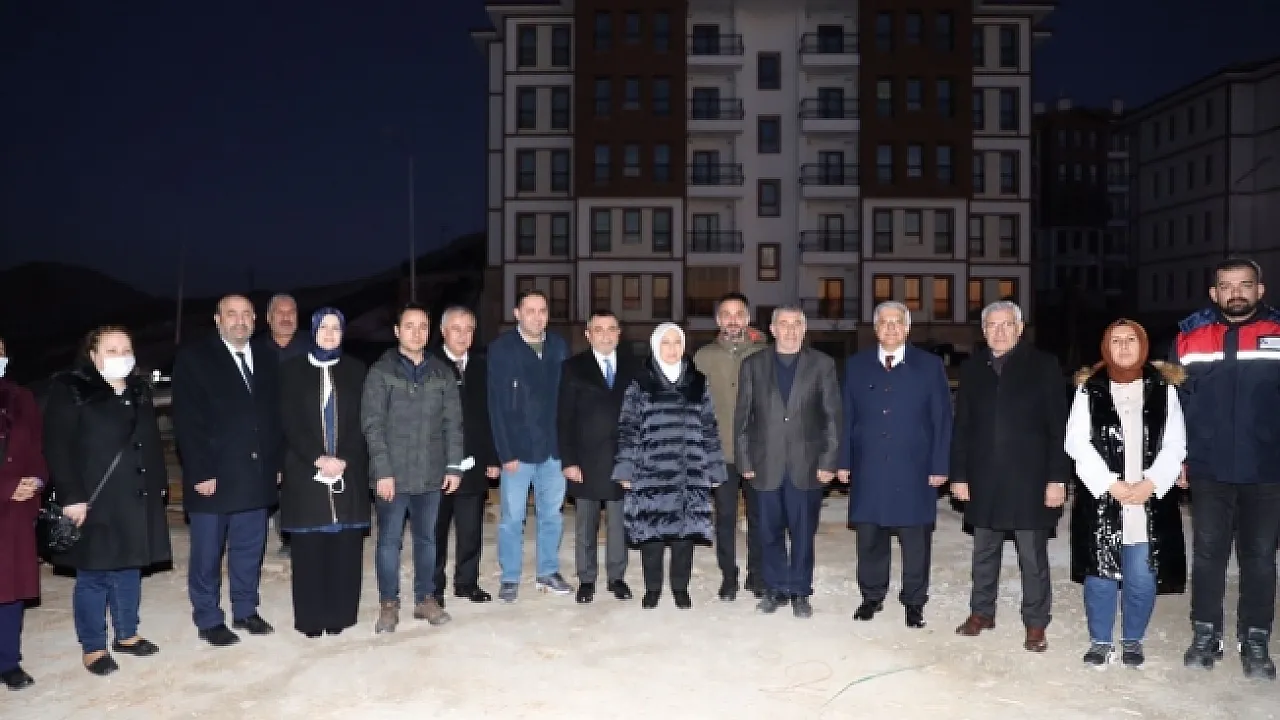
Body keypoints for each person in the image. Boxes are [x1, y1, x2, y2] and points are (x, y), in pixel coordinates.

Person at [43, 326, 173, 674]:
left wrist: (159, 484)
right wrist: (71, 496)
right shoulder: (72, 389)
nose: (120, 357)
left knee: (130, 567)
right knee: (94, 575)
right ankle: (93, 647)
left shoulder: (137, 389)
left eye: (125, 350)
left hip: (135, 495)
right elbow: (57, 446)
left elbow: (149, 441)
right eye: (111, 350)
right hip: (93, 499)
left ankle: (127, 634)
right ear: (93, 355)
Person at [1174, 257, 1280, 680]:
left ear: (1260, 289)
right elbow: (1176, 404)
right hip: (1209, 468)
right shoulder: (1190, 337)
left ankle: (1255, 640)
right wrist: (1178, 459)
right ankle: (1206, 634)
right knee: (1207, 556)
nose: (1236, 292)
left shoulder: (1277, 333)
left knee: (1260, 558)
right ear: (1214, 292)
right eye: (1227, 286)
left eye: (1244, 284)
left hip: (1266, 469)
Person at [1065, 319, 1187, 668]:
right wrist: (1110, 484)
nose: (1123, 346)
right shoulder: (1090, 390)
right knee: (1100, 574)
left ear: (1142, 345)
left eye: (1130, 339)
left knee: (1142, 576)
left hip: (1149, 498)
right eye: (1115, 340)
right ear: (1106, 347)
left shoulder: (1163, 388)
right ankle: (1101, 641)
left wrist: (1152, 483)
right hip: (1104, 497)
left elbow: (1175, 442)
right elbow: (1076, 442)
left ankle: (1133, 639)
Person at [950, 300, 1070, 653]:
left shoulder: (1044, 365)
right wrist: (959, 475)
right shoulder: (973, 368)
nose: (999, 332)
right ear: (983, 330)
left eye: (1006, 325)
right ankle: (981, 612)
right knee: (983, 553)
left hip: (1030, 481)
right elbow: (962, 427)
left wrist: (1057, 479)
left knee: (1032, 558)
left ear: (1019, 328)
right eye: (992, 325)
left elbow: (1058, 427)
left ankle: (1035, 622)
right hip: (984, 478)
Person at [172, 294, 283, 647]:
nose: (240, 320)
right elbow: (187, 421)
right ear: (218, 320)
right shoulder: (195, 358)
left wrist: (276, 465)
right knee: (207, 553)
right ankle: (208, 618)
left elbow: (273, 417)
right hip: (214, 476)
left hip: (255, 475)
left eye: (247, 314)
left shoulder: (266, 357)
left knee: (249, 549)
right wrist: (200, 471)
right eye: (232, 314)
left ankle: (246, 610)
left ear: (255, 320)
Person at [837, 302, 952, 629]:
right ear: (875, 329)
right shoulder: (857, 365)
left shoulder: (929, 366)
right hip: (869, 467)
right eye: (884, 322)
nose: (890, 327)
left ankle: (914, 601)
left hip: (914, 469)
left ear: (907, 328)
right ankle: (871, 596)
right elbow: (846, 417)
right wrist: (843, 461)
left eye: (897, 322)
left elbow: (942, 418)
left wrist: (940, 465)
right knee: (870, 537)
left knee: (915, 541)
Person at [733, 306, 841, 618]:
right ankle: (775, 589)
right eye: (784, 324)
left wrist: (828, 462)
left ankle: (800, 591)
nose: (790, 330)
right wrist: (744, 460)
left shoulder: (822, 364)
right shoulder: (753, 365)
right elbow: (742, 418)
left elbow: (832, 418)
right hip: (765, 464)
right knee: (768, 533)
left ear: (804, 329)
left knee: (803, 534)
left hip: (806, 466)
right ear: (773, 329)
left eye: (796, 324)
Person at [362, 303, 464, 633]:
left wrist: (453, 467)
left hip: (431, 474)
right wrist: (382, 471)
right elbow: (373, 425)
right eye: (409, 326)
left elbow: (453, 424)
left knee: (427, 540)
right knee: (389, 542)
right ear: (397, 331)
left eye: (422, 326)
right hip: (393, 475)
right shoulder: (381, 372)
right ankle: (388, 604)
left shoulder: (442, 373)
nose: (416, 332)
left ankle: (425, 599)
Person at [614, 323, 726, 609]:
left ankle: (680, 588)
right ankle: (652, 589)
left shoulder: (698, 382)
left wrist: (715, 469)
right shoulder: (640, 382)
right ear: (655, 346)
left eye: (677, 342)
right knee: (652, 534)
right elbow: (628, 428)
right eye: (666, 342)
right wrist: (626, 468)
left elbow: (709, 428)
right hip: (651, 471)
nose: (672, 348)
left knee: (683, 536)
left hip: (689, 472)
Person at [278, 308, 370, 638]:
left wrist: (344, 458)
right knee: (310, 550)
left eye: (336, 328)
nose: (329, 334)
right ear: (313, 332)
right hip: (306, 470)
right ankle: (311, 618)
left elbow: (365, 420)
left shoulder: (357, 370)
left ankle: (340, 615)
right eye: (323, 328)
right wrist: (317, 457)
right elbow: (289, 421)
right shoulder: (291, 371)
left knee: (344, 548)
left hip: (348, 470)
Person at [487, 289, 572, 602]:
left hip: (553, 449)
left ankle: (547, 571)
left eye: (543, 311)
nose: (537, 317)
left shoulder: (559, 346)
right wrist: (504, 452)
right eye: (531, 310)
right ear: (517, 313)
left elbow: (567, 399)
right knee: (512, 518)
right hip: (518, 452)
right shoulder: (501, 349)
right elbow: (495, 405)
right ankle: (510, 576)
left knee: (552, 515)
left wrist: (567, 449)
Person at [557, 310, 638, 604]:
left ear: (619, 333)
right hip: (586, 461)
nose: (605, 335)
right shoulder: (573, 367)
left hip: (621, 460)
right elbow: (564, 418)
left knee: (618, 525)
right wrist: (568, 461)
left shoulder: (633, 367)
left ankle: (617, 578)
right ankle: (587, 579)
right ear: (588, 335)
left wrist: (635, 460)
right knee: (586, 525)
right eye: (599, 329)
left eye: (611, 329)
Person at [693, 292, 768, 601]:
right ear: (718, 320)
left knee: (760, 518)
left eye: (738, 314)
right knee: (724, 519)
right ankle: (729, 577)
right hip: (720, 453)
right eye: (726, 314)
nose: (733, 320)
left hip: (758, 453)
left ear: (747, 318)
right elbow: (695, 406)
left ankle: (757, 575)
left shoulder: (765, 353)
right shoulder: (703, 357)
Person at [430, 306, 500, 607]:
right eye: (456, 329)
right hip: (437, 465)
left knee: (471, 529)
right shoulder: (430, 365)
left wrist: (493, 458)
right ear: (443, 332)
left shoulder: (482, 367)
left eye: (468, 329)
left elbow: (490, 414)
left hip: (473, 462)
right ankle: (433, 589)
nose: (462, 336)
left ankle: (467, 583)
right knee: (435, 530)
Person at [0, 336, 46, 690]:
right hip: (6, 494)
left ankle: (8, 661)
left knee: (10, 589)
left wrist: (35, 481)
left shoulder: (20, 397)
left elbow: (36, 449)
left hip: (14, 512)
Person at [261, 293, 306, 555]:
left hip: (303, 426)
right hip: (268, 427)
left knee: (299, 483)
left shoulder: (311, 347)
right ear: (269, 318)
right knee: (273, 484)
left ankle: (296, 536)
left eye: (291, 312)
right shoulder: (256, 350)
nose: (286, 317)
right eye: (280, 312)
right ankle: (280, 533)